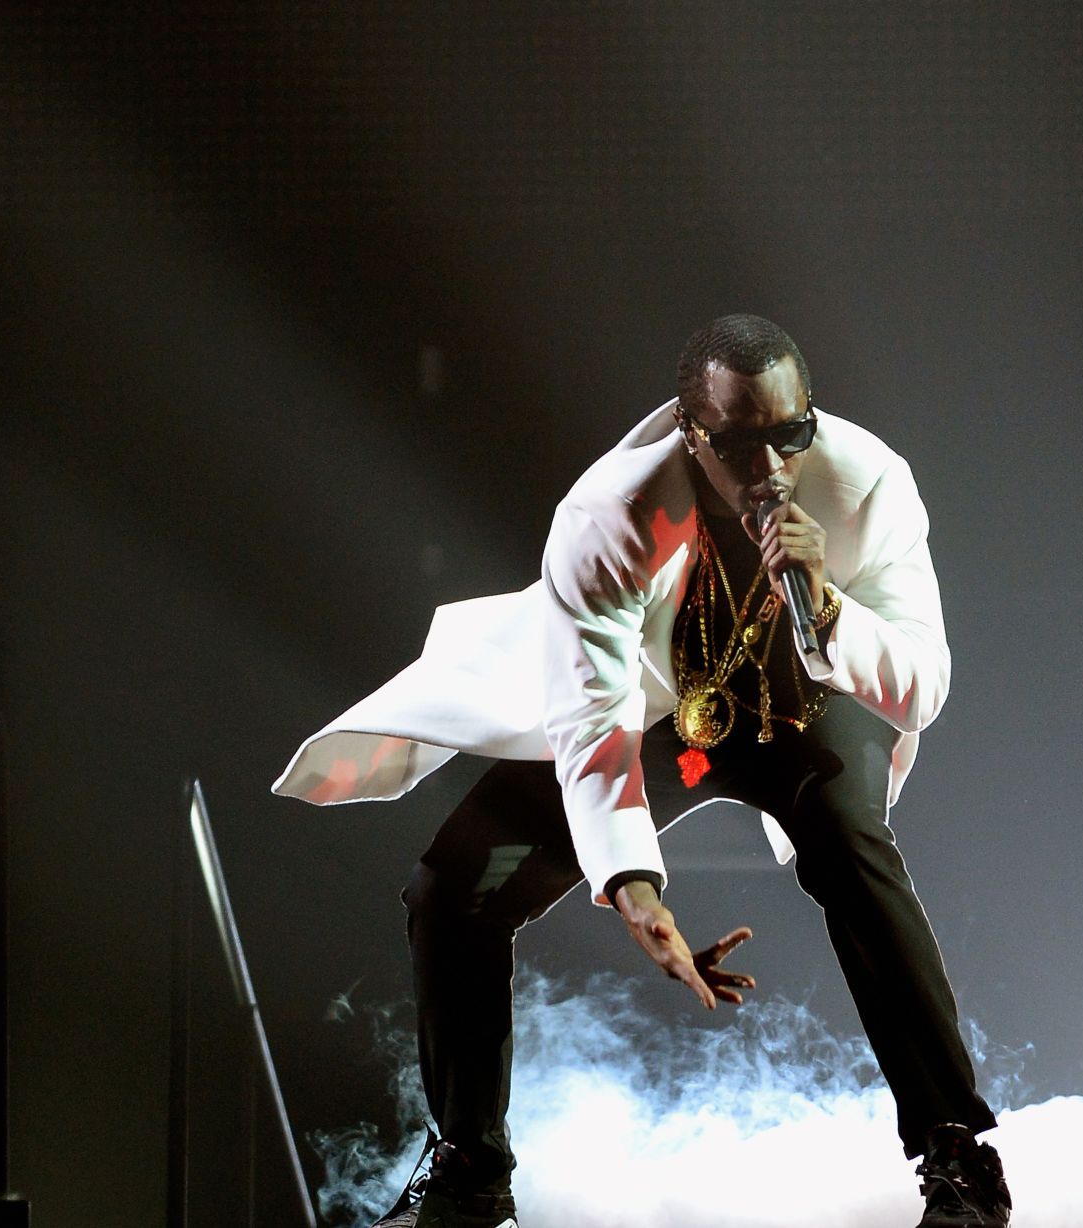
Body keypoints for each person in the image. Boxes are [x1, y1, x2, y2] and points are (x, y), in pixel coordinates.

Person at [275, 314, 1011, 1228]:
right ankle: (472, 1178)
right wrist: (633, 888)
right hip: (666, 718)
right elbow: (591, 717)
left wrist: (823, 604)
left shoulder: (869, 488)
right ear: (689, 431)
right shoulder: (612, 512)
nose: (773, 467)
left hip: (806, 711)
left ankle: (959, 1160)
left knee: (852, 846)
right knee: (453, 887)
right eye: (742, 444)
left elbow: (923, 683)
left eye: (792, 434)